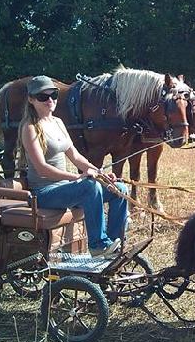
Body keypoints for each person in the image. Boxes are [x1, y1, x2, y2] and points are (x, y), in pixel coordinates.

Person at [18, 75, 128, 257]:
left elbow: (76, 156)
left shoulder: (58, 123)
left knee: (119, 189)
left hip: (64, 189)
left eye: (53, 95)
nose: (50, 100)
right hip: (43, 193)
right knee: (89, 187)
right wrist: (76, 177)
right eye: (42, 97)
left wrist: (100, 173)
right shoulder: (29, 127)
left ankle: (113, 245)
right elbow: (41, 168)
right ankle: (98, 246)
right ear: (31, 99)